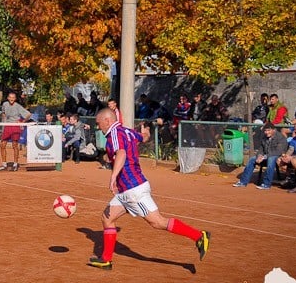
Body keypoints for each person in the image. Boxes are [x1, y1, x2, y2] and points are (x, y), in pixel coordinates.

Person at [87, 108, 211, 270]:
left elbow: (122, 153)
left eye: (98, 123)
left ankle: (199, 236)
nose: (98, 127)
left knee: (157, 222)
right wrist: (145, 132)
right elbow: (144, 137)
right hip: (126, 189)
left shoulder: (115, 134)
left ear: (107, 121)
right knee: (107, 217)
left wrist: (113, 176)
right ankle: (106, 260)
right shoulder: (127, 131)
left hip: (133, 189)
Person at [233, 122, 288, 189]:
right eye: (265, 130)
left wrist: (264, 157)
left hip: (278, 157)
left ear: (274, 130)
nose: (266, 132)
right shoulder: (264, 137)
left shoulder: (280, 137)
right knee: (252, 159)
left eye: (268, 130)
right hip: (265, 157)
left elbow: (278, 151)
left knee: (271, 159)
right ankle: (243, 182)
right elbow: (261, 149)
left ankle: (266, 184)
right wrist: (259, 156)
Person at [0, 91, 32, 171]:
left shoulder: (18, 106)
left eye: (13, 98)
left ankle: (15, 164)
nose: (12, 99)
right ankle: (4, 164)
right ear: (8, 98)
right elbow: (3, 113)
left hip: (15, 127)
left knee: (15, 145)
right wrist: (4, 119)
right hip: (7, 126)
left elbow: (28, 114)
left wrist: (22, 122)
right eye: (10, 97)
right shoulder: (5, 104)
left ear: (15, 99)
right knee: (2, 145)